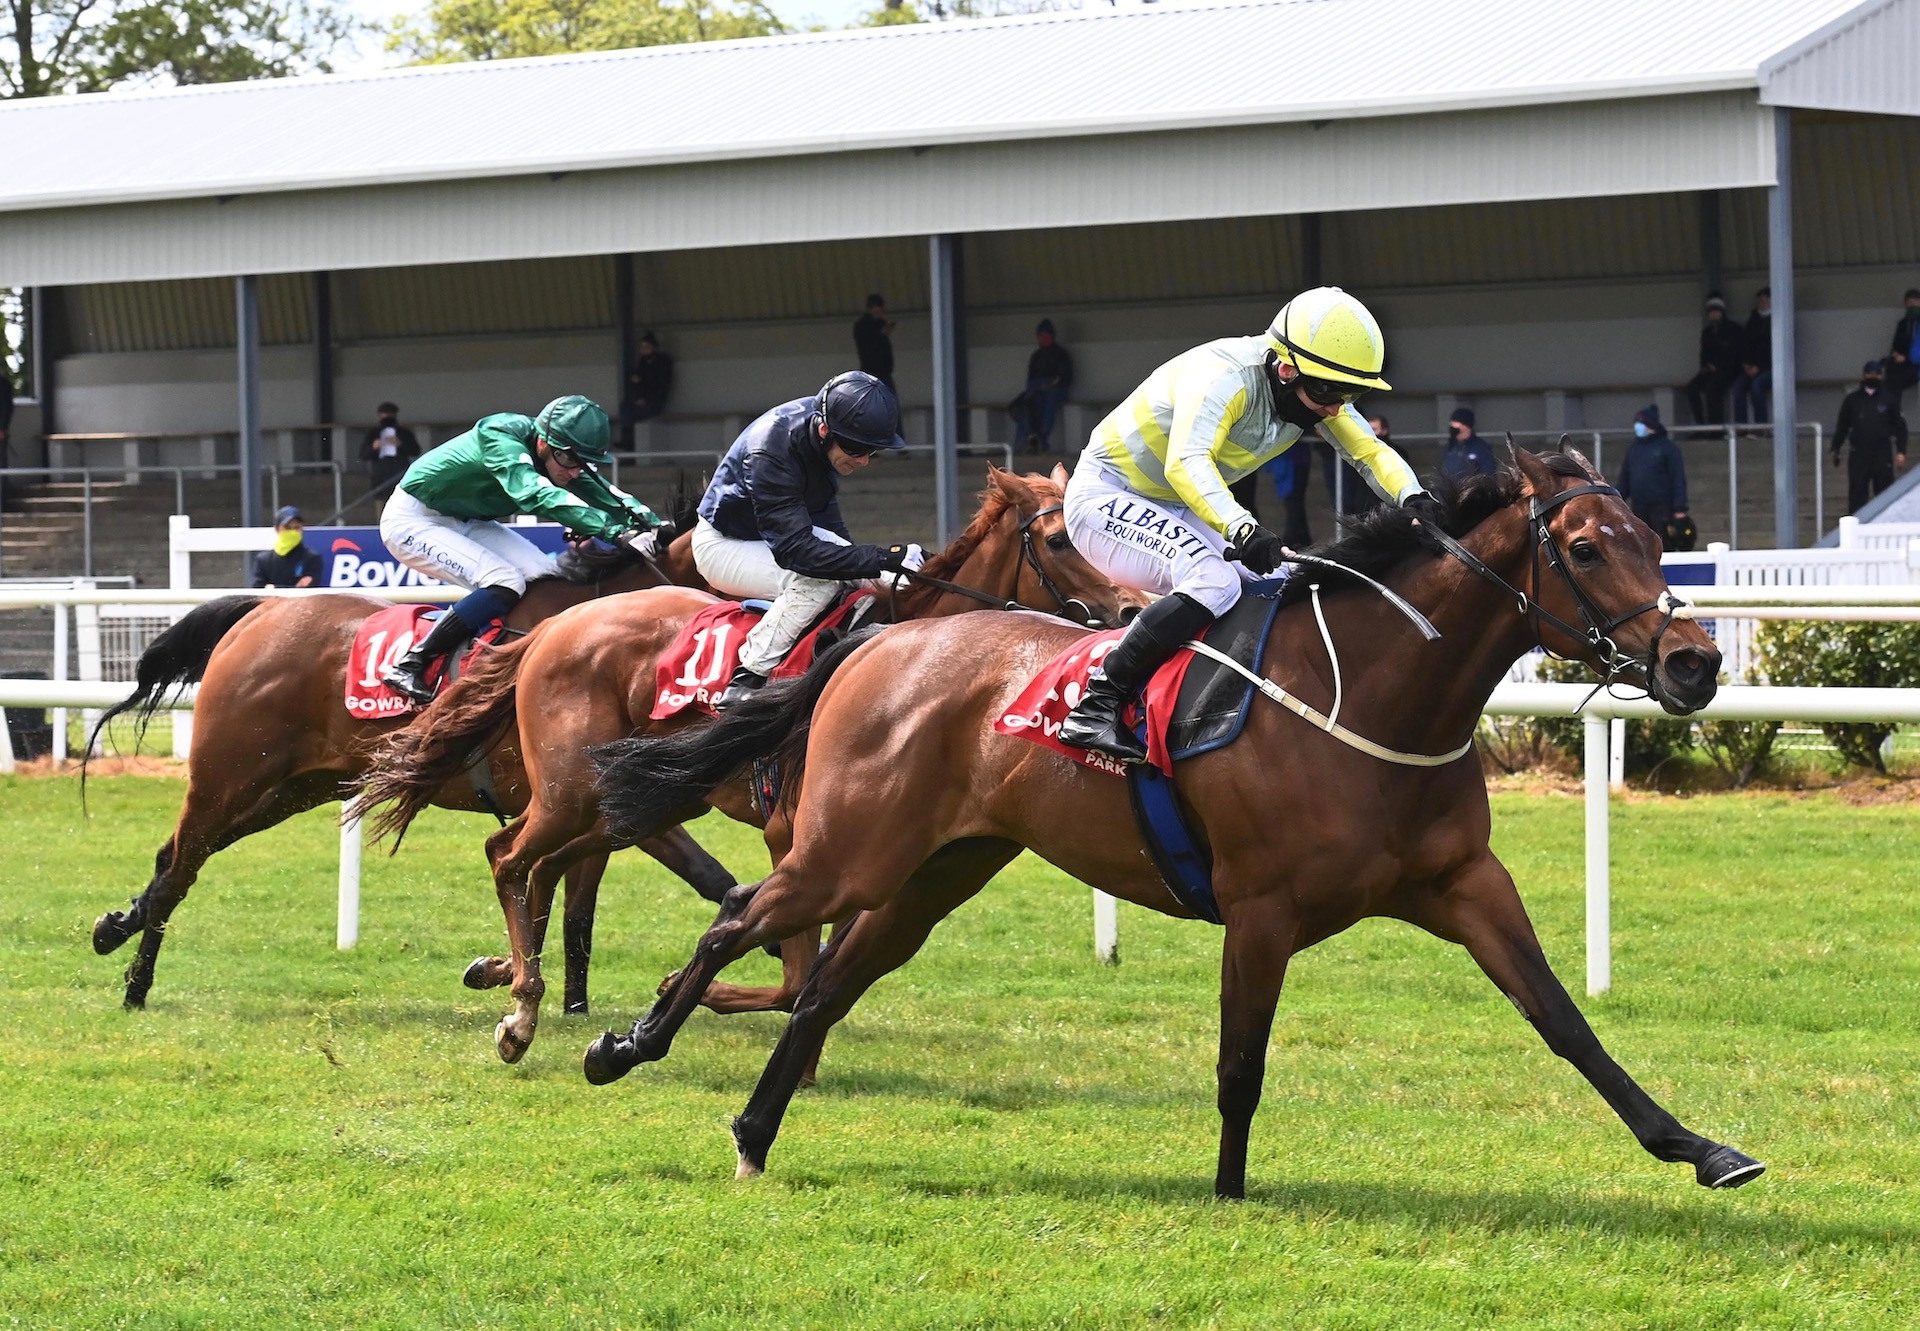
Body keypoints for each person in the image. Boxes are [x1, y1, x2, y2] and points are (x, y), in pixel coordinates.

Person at [1056, 286, 1436, 763]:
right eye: (1327, 393)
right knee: (1213, 580)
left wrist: (1415, 497)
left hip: (1176, 503)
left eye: (1350, 395)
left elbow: (1369, 452)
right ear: (1284, 368)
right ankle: (1097, 705)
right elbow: (1186, 461)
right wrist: (1243, 528)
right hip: (1106, 494)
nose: (1336, 407)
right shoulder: (1226, 378)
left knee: (1279, 581)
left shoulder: (1313, 388)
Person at [378, 394, 661, 703]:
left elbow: (604, 492)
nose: (575, 471)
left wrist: (654, 525)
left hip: (468, 519)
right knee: (504, 581)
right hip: (413, 518)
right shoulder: (500, 434)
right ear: (542, 443)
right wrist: (615, 532)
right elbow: (535, 493)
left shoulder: (561, 459)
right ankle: (413, 663)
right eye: (570, 460)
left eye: (584, 462)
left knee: (548, 580)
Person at [694, 371, 923, 707]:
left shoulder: (826, 433)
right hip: (725, 545)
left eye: (872, 451)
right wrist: (879, 557)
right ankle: (747, 678)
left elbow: (828, 524)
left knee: (883, 578)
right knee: (823, 581)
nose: (863, 461)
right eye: (856, 449)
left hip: (773, 536)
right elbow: (796, 553)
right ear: (824, 430)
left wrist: (886, 565)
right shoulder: (770, 450)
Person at [1831, 360, 1908, 516]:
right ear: (1863, 375)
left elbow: (1900, 427)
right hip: (1859, 454)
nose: (1873, 376)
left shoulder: (1889, 399)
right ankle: (1857, 529)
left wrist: (1901, 451)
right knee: (1857, 494)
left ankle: (1885, 529)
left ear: (1881, 375)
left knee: (1885, 494)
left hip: (1882, 454)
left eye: (1877, 374)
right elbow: (1842, 426)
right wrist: (1836, 448)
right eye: (1870, 373)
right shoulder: (1852, 400)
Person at [1614, 405, 1689, 539]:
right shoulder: (1634, 449)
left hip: (1662, 506)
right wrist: (1616, 500)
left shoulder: (1667, 448)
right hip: (1638, 506)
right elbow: (1625, 478)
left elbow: (1678, 478)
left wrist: (1679, 507)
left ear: (1651, 425)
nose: (1637, 426)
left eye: (1641, 423)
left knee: (1663, 541)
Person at [1010, 319, 1075, 451]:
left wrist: (1049, 384)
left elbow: (1065, 378)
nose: (1043, 339)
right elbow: (1030, 380)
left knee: (1048, 404)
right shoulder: (1037, 356)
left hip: (1056, 392)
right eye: (1041, 336)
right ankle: (1027, 440)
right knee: (1022, 406)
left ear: (1052, 336)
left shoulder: (1061, 354)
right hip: (1037, 393)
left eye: (1046, 336)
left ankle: (1042, 438)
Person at [1685, 294, 1744, 426]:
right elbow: (1704, 354)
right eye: (1711, 311)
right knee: (1691, 388)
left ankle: (1715, 427)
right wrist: (1706, 367)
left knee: (1712, 389)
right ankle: (1700, 425)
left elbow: (1736, 354)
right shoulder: (1707, 332)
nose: (1713, 314)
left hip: (1730, 371)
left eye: (1716, 311)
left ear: (1722, 311)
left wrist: (1718, 366)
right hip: (1710, 370)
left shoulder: (1734, 329)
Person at [249, 506, 322, 589]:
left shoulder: (312, 558)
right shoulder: (263, 560)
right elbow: (257, 589)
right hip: (272, 602)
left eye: (296, 527)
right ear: (277, 529)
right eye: (287, 527)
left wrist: (273, 588)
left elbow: (312, 589)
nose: (292, 532)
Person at [362, 402, 421, 498]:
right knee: (380, 501)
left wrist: (400, 444)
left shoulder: (404, 433)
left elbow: (415, 451)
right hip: (380, 471)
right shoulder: (373, 433)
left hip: (399, 469)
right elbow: (363, 454)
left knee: (400, 499)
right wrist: (374, 447)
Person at [1731, 288, 1772, 427]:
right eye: (1760, 300)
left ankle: (1761, 428)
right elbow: (1745, 344)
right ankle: (1741, 429)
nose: (1762, 303)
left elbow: (1773, 349)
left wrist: (1759, 367)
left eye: (1765, 299)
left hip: (1770, 368)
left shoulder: (1778, 320)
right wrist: (1745, 364)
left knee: (1757, 386)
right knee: (1737, 388)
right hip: (1751, 368)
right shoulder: (1752, 320)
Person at [627, 331, 675, 424]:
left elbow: (660, 384)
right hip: (642, 399)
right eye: (642, 347)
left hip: (655, 401)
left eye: (647, 347)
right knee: (626, 409)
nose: (643, 349)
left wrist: (644, 394)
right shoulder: (643, 362)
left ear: (653, 347)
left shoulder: (662, 361)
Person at [1885, 288, 1920, 413]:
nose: (1912, 304)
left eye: (1915, 301)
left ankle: (1894, 414)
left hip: (1916, 366)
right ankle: (1893, 413)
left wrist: (1907, 358)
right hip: (1903, 364)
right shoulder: (1903, 324)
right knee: (1889, 369)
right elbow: (1896, 346)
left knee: (1894, 380)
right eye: (1909, 302)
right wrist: (1895, 354)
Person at [852, 294, 896, 393]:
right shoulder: (864, 325)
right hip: (873, 370)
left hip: (883, 370)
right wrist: (881, 334)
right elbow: (869, 344)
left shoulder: (878, 323)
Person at [1442, 407, 1497, 481]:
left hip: (1472, 490)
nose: (1452, 426)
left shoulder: (1481, 448)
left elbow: (1488, 474)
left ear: (1466, 426)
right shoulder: (1449, 448)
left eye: (1456, 424)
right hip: (1450, 490)